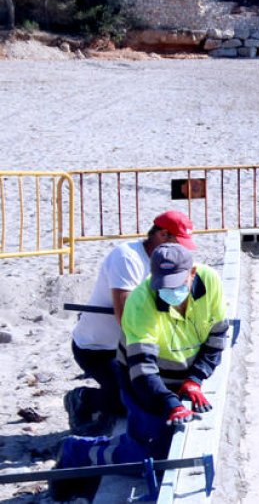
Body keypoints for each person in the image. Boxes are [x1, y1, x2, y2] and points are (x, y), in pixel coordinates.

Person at [52, 244, 229, 498]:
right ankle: (75, 451)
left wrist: (195, 379)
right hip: (143, 381)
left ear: (192, 273)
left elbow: (216, 338)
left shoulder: (210, 282)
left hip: (184, 374)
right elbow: (143, 370)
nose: (169, 291)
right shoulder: (140, 303)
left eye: (177, 284)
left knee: (165, 445)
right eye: (163, 285)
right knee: (142, 455)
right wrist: (169, 402)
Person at [65, 210, 198, 434]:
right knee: (129, 399)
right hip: (97, 348)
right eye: (179, 242)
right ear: (162, 235)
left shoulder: (169, 261)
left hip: (127, 345)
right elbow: (125, 317)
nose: (182, 250)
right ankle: (83, 399)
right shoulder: (127, 258)